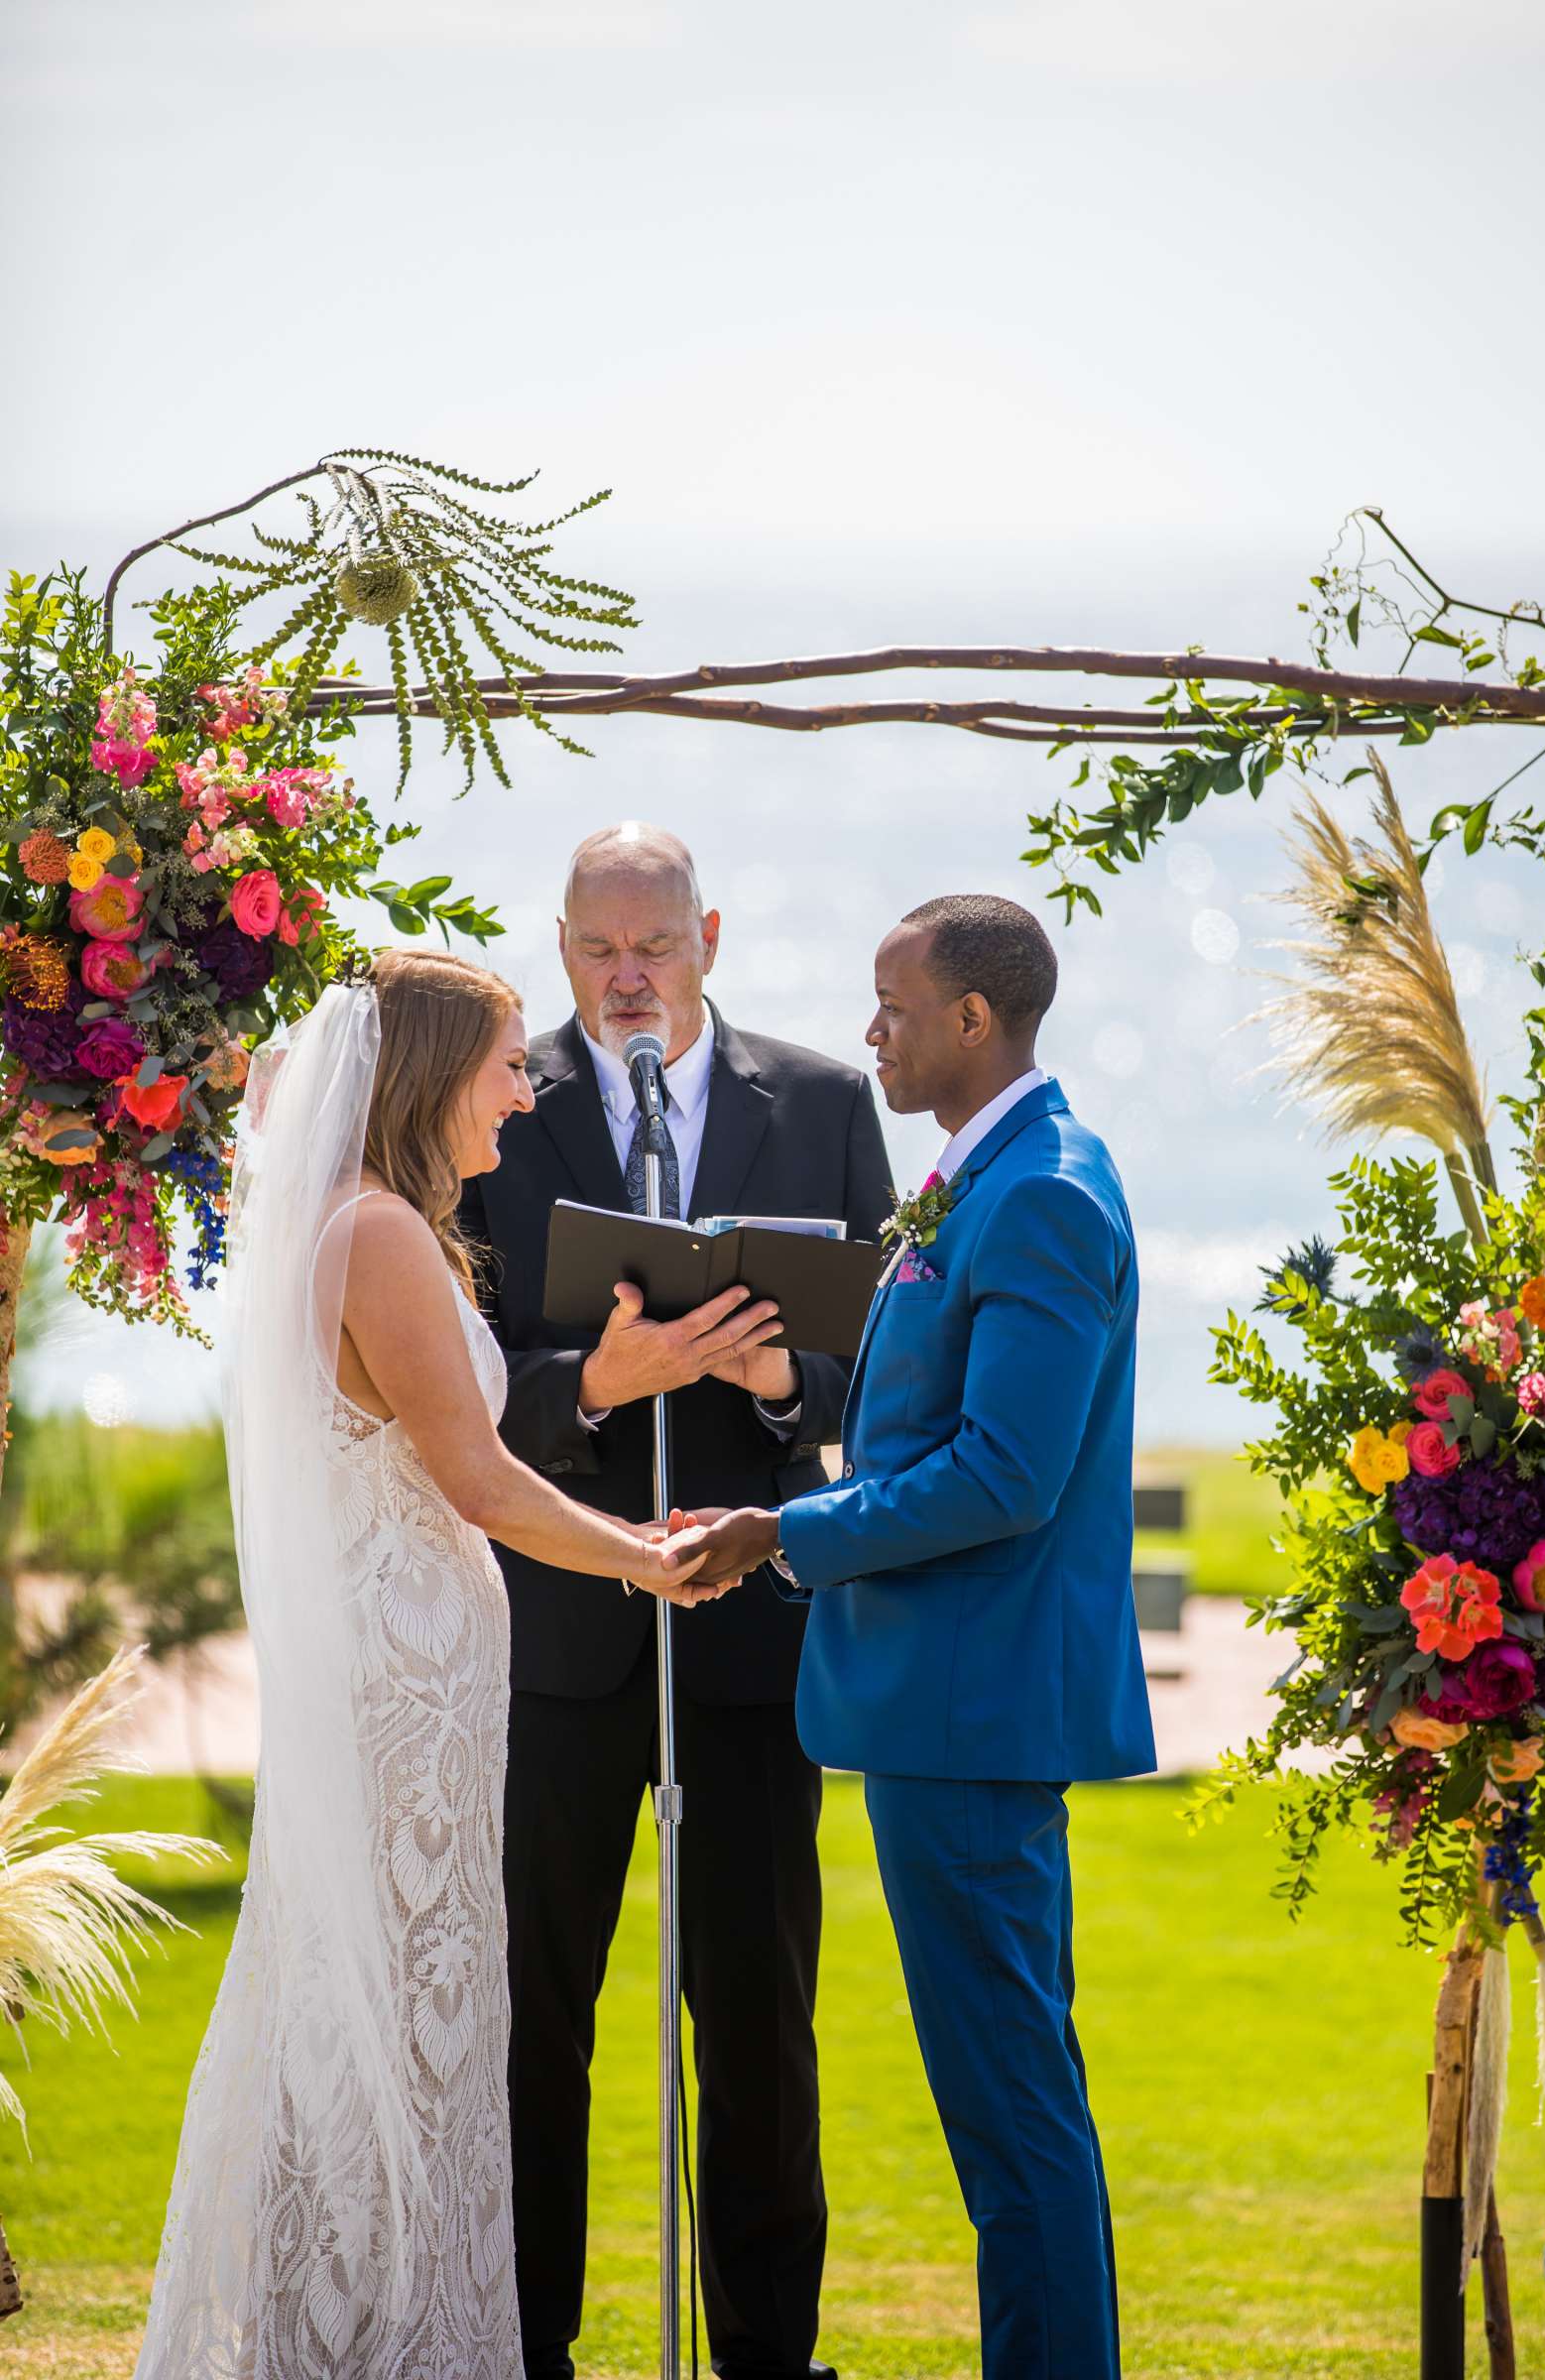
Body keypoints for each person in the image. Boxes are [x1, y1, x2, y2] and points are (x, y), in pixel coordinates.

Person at [135, 949, 720, 2380]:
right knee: (399, 2007)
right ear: (434, 1072)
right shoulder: (379, 1234)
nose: (525, 1097)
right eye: (509, 1066)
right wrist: (645, 1555)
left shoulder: (373, 1223)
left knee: (399, 2000)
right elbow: (480, 1479)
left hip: (415, 1677)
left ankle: (351, 2330)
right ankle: (363, 2340)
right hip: (401, 1685)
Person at [687, 893, 1156, 2380]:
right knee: (1009, 2101)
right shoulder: (984, 1177)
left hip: (971, 1711)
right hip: (940, 1708)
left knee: (1013, 2109)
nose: (868, 1031)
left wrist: (791, 1531)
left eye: (890, 1005)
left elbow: (1008, 1477)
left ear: (973, 1019)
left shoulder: (1045, 1193)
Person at [457, 823, 893, 2380]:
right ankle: (529, 2347)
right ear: (561, 944)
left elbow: (878, 1374)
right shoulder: (504, 1106)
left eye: (653, 947)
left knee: (761, 2018)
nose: (626, 979)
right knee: (534, 2020)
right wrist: (596, 1384)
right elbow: (452, 1366)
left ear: (707, 933)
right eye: (596, 951)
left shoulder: (827, 1103)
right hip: (558, 1639)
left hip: (753, 1633)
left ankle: (771, 2356)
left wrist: (784, 1382)